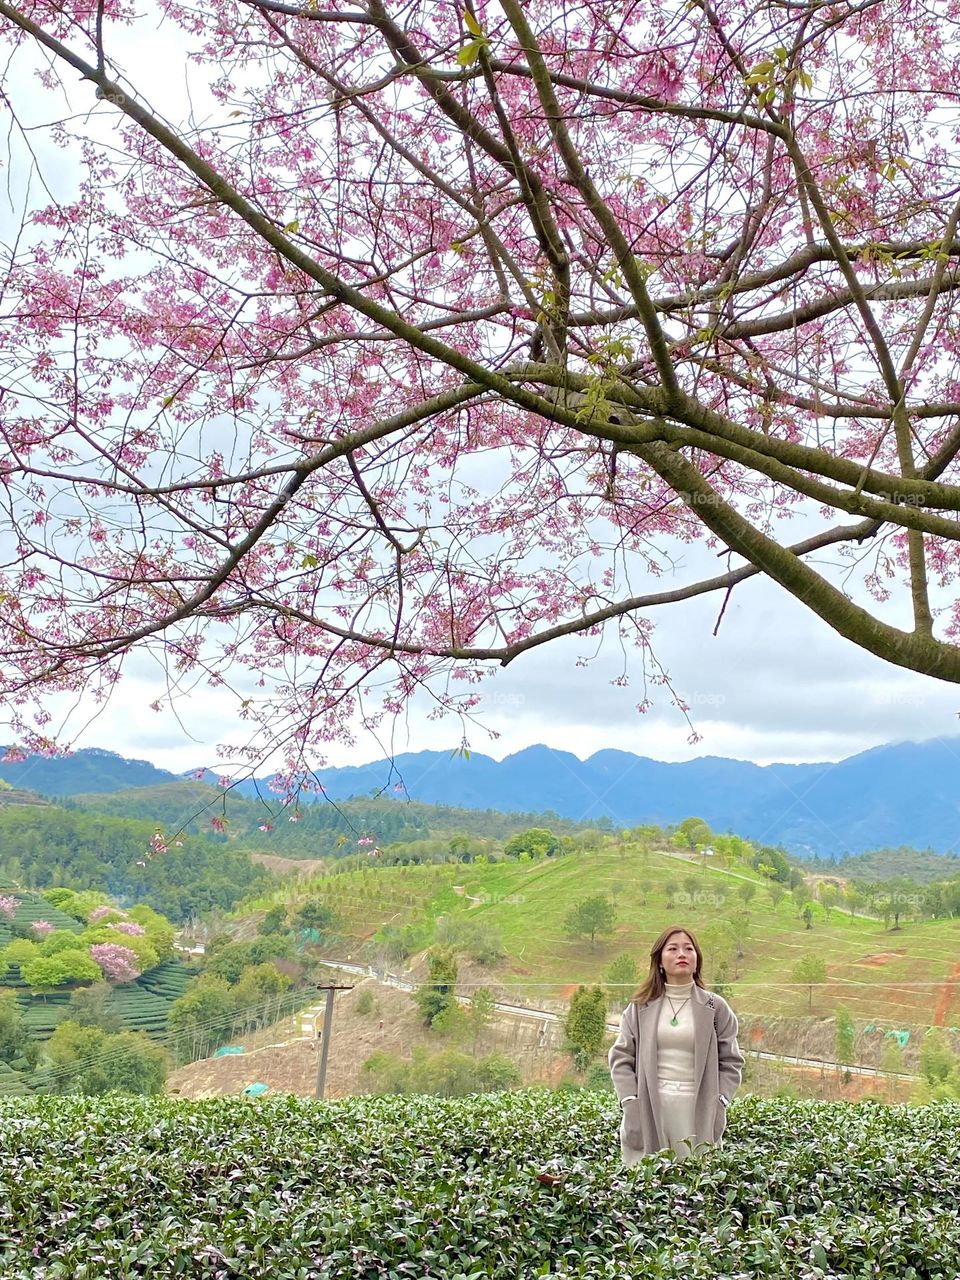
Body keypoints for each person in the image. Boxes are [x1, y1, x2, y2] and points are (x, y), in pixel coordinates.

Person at [608, 924, 744, 1163]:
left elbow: (731, 1061)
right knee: (648, 1187)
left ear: (696, 960)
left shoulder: (715, 1008)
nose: (682, 953)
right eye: (673, 948)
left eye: (688, 948)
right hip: (650, 1106)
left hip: (697, 1108)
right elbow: (621, 1058)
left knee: (695, 1185)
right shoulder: (640, 1007)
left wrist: (720, 1101)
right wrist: (630, 1103)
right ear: (660, 961)